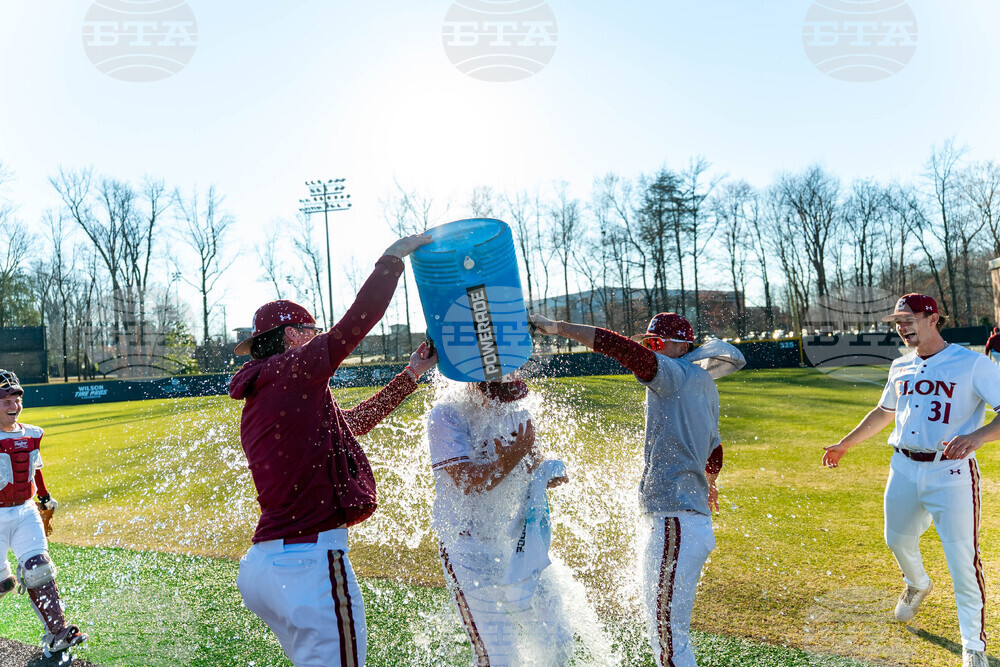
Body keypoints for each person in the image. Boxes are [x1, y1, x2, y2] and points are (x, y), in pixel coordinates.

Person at [229, 234, 437, 667]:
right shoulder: (292, 367)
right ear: (291, 336)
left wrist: (412, 374)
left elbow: (352, 425)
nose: (318, 337)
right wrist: (392, 259)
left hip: (266, 568)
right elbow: (354, 326)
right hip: (307, 565)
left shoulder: (268, 385)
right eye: (311, 331)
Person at [529, 312, 745, 667]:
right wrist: (712, 482)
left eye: (658, 344)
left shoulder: (674, 375)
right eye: (649, 343)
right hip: (683, 522)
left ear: (682, 346)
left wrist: (560, 328)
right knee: (665, 637)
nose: (652, 351)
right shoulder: (704, 383)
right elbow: (715, 450)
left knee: (669, 641)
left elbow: (619, 348)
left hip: (675, 523)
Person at [822, 294, 996, 667]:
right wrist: (845, 444)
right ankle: (918, 583)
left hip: (950, 471)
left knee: (962, 560)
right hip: (903, 467)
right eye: (897, 321)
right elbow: (884, 413)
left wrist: (978, 437)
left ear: (932, 318)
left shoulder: (972, 364)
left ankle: (974, 647)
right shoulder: (901, 365)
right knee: (896, 539)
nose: (901, 327)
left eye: (907, 318)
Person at [427, 375, 574, 666]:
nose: (502, 405)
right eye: (496, 396)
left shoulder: (516, 409)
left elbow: (532, 462)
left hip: (512, 543)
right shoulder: (445, 414)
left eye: (507, 395)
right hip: (466, 547)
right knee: (499, 655)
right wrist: (509, 459)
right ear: (473, 387)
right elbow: (468, 482)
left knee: (558, 638)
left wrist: (548, 471)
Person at [0, 369, 87, 656]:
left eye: (17, 399)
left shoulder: (32, 434)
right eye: (6, 401)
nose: (14, 406)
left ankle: (57, 634)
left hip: (25, 510)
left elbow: (35, 467)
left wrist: (45, 496)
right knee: (3, 584)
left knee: (40, 569)